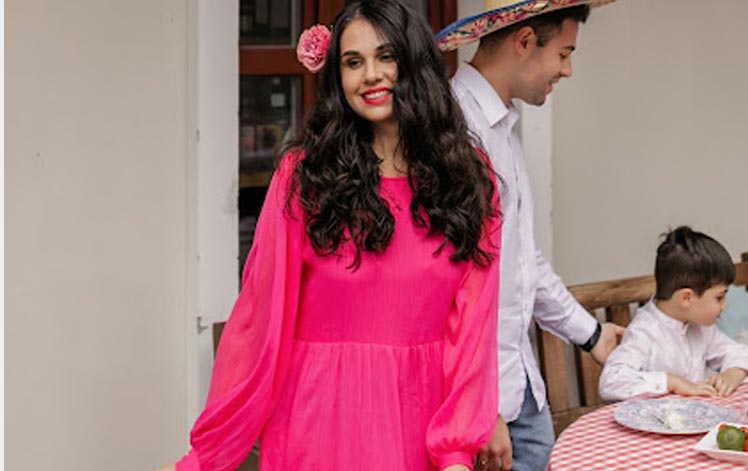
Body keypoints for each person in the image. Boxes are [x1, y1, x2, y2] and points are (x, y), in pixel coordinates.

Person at [157, 1, 502, 470]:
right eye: (353, 62)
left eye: (386, 57)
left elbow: (473, 328)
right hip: (315, 425)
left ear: (415, 62)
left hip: (418, 428)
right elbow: (257, 322)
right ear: (338, 78)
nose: (371, 76)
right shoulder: (305, 178)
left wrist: (457, 451)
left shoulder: (468, 180)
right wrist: (207, 457)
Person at [435, 1, 624, 470]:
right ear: (523, 43)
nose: (569, 69)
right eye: (563, 53)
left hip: (520, 386)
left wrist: (593, 335)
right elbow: (447, 287)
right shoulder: (451, 130)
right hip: (479, 403)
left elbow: (521, 261)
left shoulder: (503, 126)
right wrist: (481, 405)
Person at [599, 226, 748, 402]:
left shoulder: (699, 327)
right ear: (686, 298)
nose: (725, 305)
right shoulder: (644, 333)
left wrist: (733, 373)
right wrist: (672, 382)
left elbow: (739, 353)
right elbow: (611, 382)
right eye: (719, 297)